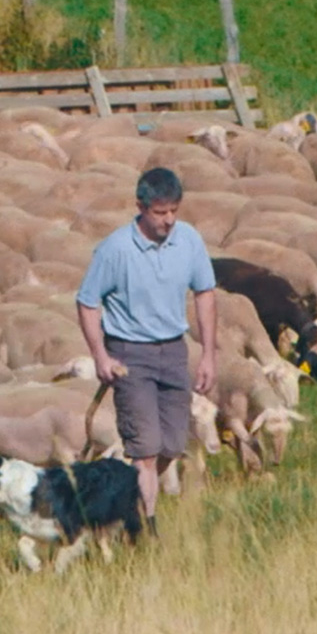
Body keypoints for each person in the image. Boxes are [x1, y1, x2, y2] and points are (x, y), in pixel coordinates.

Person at [76, 166, 217, 534]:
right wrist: (100, 356)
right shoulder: (115, 249)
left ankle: (125, 502)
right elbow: (88, 302)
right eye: (160, 212)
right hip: (130, 355)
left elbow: (205, 291)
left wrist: (209, 355)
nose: (168, 220)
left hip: (173, 351)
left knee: (172, 444)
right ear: (140, 207)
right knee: (146, 449)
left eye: (174, 211)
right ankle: (144, 528)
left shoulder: (189, 240)